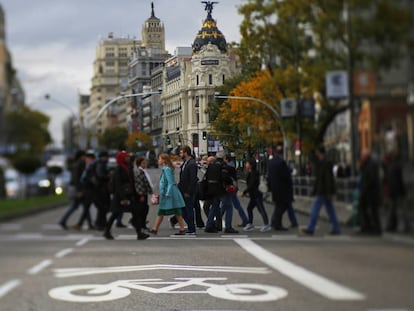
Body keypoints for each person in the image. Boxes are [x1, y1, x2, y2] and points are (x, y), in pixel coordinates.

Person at [103, 151, 149, 240]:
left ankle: (139, 233)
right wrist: (123, 198)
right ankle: (107, 231)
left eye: (128, 156)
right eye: (126, 157)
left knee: (135, 214)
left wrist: (138, 194)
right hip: (121, 196)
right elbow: (118, 184)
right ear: (121, 158)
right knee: (115, 214)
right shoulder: (119, 169)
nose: (128, 158)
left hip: (130, 195)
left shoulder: (129, 166)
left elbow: (132, 182)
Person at [300, 145, 340, 236]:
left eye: (317, 152)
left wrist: (326, 191)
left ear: (319, 152)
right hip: (324, 190)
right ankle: (336, 228)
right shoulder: (324, 162)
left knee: (315, 209)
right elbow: (322, 178)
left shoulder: (325, 163)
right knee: (330, 210)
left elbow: (326, 179)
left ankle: (311, 228)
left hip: (322, 191)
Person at [149, 153, 186, 235]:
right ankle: (182, 228)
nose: (158, 161)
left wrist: (168, 193)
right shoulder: (166, 168)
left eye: (159, 159)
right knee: (175, 210)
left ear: (164, 160)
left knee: (163, 211)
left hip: (169, 193)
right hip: (169, 192)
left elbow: (171, 182)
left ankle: (155, 229)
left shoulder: (167, 169)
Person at [204, 152, 238, 234]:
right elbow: (225, 178)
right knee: (229, 207)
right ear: (223, 158)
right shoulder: (224, 167)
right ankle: (228, 227)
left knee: (214, 207)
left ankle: (209, 225)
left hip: (212, 190)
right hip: (222, 190)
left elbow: (206, 177)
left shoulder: (211, 166)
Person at [169, 145, 198, 235]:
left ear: (186, 153)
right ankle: (189, 226)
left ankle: (191, 229)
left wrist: (188, 192)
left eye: (181, 152)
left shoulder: (192, 164)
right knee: (182, 209)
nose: (180, 154)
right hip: (182, 190)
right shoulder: (186, 163)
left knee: (188, 209)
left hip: (187, 192)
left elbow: (193, 179)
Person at [267, 144, 294, 231]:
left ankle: (275, 222)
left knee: (278, 206)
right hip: (283, 188)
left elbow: (269, 176)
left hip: (274, 188)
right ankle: (276, 223)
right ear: (282, 153)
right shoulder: (282, 162)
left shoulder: (271, 162)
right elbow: (286, 175)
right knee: (282, 206)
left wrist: (269, 186)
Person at [242, 158, 271, 232]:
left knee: (261, 209)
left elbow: (251, 185)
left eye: (247, 163)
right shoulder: (251, 172)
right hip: (254, 195)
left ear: (251, 165)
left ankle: (266, 224)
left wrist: (244, 192)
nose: (246, 164)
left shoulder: (254, 173)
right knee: (250, 208)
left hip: (257, 194)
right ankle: (250, 224)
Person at [58, 150, 86, 229]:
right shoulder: (80, 164)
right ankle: (64, 220)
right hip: (77, 188)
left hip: (75, 187)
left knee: (81, 206)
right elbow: (77, 178)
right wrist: (79, 190)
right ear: (81, 156)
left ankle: (65, 220)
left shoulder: (75, 164)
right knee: (81, 206)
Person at [357, 148, 382, 235]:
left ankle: (375, 229)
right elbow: (361, 172)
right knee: (364, 209)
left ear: (366, 155)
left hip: (371, 192)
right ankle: (367, 227)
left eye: (362, 155)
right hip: (367, 191)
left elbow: (371, 179)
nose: (361, 157)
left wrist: (365, 188)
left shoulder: (371, 164)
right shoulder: (366, 164)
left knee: (372, 210)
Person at [70, 151, 96, 230]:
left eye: (87, 158)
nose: (86, 159)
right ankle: (87, 224)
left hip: (90, 189)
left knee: (87, 207)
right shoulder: (87, 165)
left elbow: (90, 178)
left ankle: (83, 224)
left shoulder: (91, 165)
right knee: (86, 207)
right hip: (86, 189)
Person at [223, 154, 249, 227]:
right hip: (233, 187)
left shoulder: (228, 167)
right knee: (229, 204)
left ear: (226, 159)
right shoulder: (232, 165)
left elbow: (229, 178)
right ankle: (245, 220)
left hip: (230, 188)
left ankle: (245, 220)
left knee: (226, 205)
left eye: (224, 159)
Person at [133, 156, 154, 231]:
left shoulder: (143, 171)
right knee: (143, 209)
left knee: (144, 208)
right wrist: (141, 194)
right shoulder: (139, 172)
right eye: (143, 163)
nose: (145, 164)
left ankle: (142, 223)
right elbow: (140, 184)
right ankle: (140, 223)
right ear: (139, 164)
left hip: (144, 192)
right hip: (141, 193)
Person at [93, 150, 111, 230]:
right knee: (103, 207)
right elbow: (101, 176)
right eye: (106, 157)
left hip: (100, 188)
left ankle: (101, 223)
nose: (107, 158)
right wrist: (108, 176)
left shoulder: (100, 164)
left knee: (103, 207)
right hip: (101, 189)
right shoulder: (100, 164)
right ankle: (100, 223)